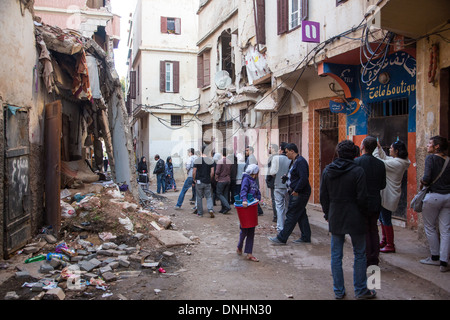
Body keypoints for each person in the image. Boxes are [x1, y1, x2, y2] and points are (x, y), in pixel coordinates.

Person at [320, 140, 375, 300]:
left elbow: (323, 196)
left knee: (336, 255)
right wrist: (364, 214)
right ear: (354, 153)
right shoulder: (358, 171)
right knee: (359, 253)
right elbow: (362, 197)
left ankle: (338, 291)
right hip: (356, 216)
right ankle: (361, 290)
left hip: (336, 215)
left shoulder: (328, 171)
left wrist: (327, 214)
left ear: (338, 153)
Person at [268, 143, 311, 244]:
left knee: (291, 214)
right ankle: (306, 236)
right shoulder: (295, 161)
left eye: (287, 152)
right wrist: (287, 178)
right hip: (297, 191)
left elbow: (304, 178)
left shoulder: (300, 162)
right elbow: (296, 176)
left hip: (300, 193)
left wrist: (296, 190)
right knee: (301, 214)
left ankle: (282, 238)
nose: (286, 154)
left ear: (292, 151)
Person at [373, 139, 410, 253]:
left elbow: (378, 161)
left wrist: (374, 148)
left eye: (391, 148)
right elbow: (385, 158)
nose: (389, 149)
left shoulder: (397, 163)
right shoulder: (398, 161)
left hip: (389, 195)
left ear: (397, 151)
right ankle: (385, 241)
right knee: (383, 218)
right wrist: (379, 148)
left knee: (386, 219)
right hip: (388, 194)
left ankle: (390, 244)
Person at [419, 136, 450, 272]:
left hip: (433, 197)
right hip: (448, 197)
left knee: (430, 227)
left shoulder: (430, 159)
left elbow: (426, 179)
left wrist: (422, 182)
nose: (427, 145)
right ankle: (444, 262)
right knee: (446, 230)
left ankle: (434, 257)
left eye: (430, 143)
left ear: (437, 146)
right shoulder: (449, 160)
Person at [354, 136, 386, 267]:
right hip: (375, 201)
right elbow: (383, 185)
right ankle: (374, 259)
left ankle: (367, 258)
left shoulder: (357, 162)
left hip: (362, 202)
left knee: (365, 231)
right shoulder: (380, 164)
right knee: (373, 230)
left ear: (362, 147)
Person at [237, 163, 261, 262]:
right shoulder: (246, 179)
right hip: (246, 208)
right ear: (254, 173)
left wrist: (258, 198)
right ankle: (239, 246)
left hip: (252, 208)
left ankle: (249, 253)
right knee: (244, 230)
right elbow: (243, 190)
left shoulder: (254, 181)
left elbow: (258, 192)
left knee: (251, 230)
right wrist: (244, 200)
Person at [269, 142, 291, 233]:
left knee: (279, 207)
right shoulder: (290, 159)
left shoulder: (276, 158)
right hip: (288, 187)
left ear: (281, 149)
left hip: (278, 185)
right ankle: (287, 226)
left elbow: (272, 172)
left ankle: (280, 227)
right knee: (287, 206)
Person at [192, 146, 215, 218]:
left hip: (199, 181)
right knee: (209, 196)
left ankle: (200, 213)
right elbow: (212, 172)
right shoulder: (210, 160)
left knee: (199, 197)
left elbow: (194, 171)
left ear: (201, 151)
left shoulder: (197, 160)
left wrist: (194, 179)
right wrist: (210, 179)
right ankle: (210, 209)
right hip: (207, 181)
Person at [245, 146, 264, 216]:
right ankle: (258, 210)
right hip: (251, 179)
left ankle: (258, 210)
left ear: (251, 151)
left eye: (247, 150)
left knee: (252, 195)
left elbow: (252, 170)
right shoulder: (250, 157)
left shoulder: (251, 158)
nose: (246, 152)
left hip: (252, 179)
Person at [215, 148, 232, 214]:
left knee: (219, 193)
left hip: (221, 180)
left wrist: (216, 178)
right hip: (228, 179)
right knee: (225, 194)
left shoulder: (220, 161)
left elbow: (217, 171)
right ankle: (223, 208)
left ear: (221, 153)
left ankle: (227, 206)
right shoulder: (229, 161)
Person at [266, 144, 278, 223]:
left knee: (274, 199)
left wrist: (268, 179)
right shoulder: (277, 157)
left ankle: (276, 216)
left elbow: (271, 170)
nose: (269, 149)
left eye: (270, 147)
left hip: (273, 181)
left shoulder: (272, 158)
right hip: (277, 181)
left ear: (273, 149)